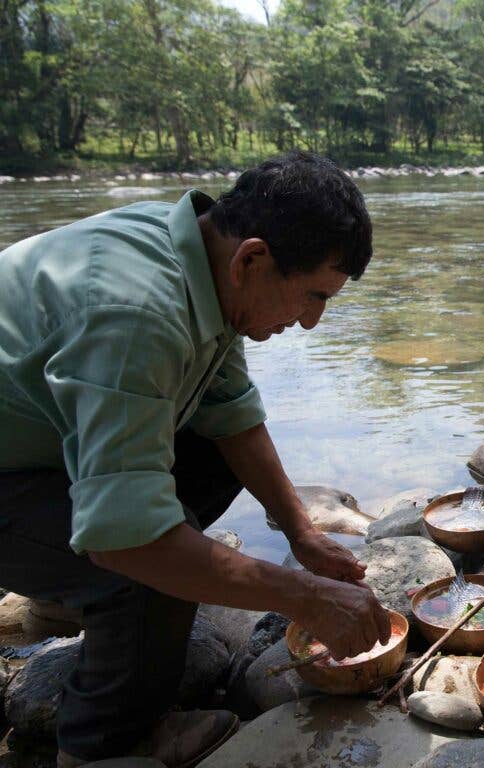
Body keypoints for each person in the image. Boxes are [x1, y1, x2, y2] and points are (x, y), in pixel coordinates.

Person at [0, 151, 392, 767]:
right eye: (313, 296)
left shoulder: (204, 260)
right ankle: (101, 744)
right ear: (254, 259)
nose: (312, 323)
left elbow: (230, 414)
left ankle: (67, 591)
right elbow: (130, 540)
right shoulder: (138, 313)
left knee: (205, 467)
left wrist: (302, 533)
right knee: (140, 562)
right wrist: (305, 598)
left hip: (36, 442)